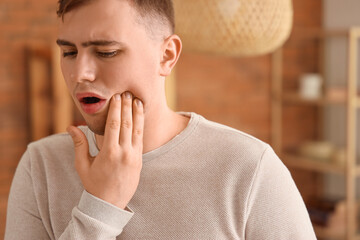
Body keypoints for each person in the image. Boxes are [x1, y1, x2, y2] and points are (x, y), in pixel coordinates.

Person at [5, 0, 317, 239]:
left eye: (106, 52)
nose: (79, 73)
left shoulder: (249, 168)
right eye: (69, 52)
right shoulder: (41, 166)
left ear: (167, 55)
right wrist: (100, 206)